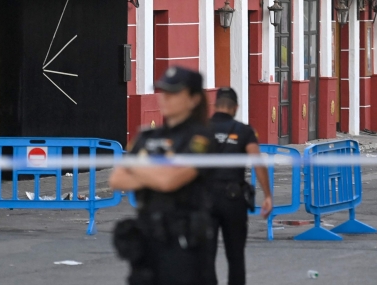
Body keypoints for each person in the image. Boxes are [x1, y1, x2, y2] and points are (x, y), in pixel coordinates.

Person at [110, 66, 215, 285]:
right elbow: (117, 179)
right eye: (163, 92)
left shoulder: (200, 139)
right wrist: (157, 170)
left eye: (174, 93)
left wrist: (138, 166)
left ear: (194, 99)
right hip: (147, 238)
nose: (165, 99)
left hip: (183, 241)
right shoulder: (147, 135)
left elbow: (169, 181)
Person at [206, 87, 272, 285]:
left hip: (205, 200)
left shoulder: (201, 129)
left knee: (205, 259)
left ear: (215, 105)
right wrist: (267, 195)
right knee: (235, 256)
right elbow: (257, 163)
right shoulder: (243, 131)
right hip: (233, 200)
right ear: (235, 107)